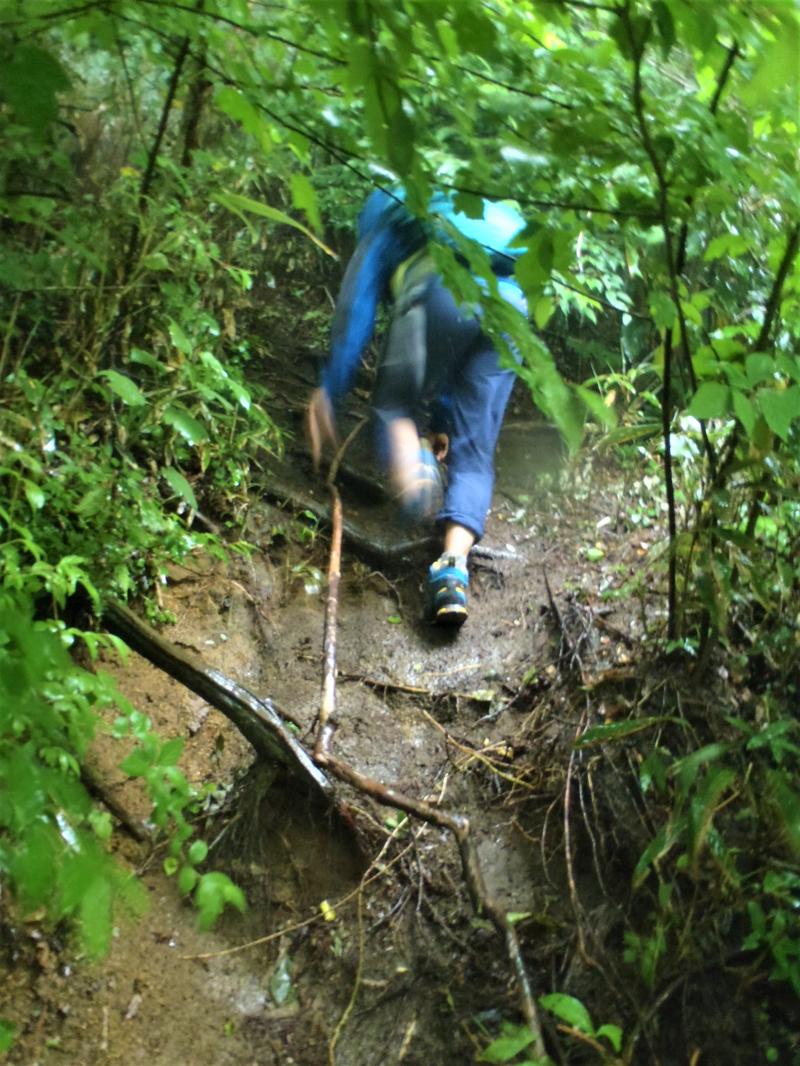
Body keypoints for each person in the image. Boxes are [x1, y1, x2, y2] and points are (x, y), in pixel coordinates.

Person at [307, 187, 528, 628]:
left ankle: (417, 478)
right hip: (512, 306)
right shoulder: (462, 215)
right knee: (475, 455)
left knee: (393, 408)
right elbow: (454, 361)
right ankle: (452, 568)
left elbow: (356, 309)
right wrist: (444, 420)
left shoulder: (388, 222)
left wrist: (331, 389)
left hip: (440, 288)